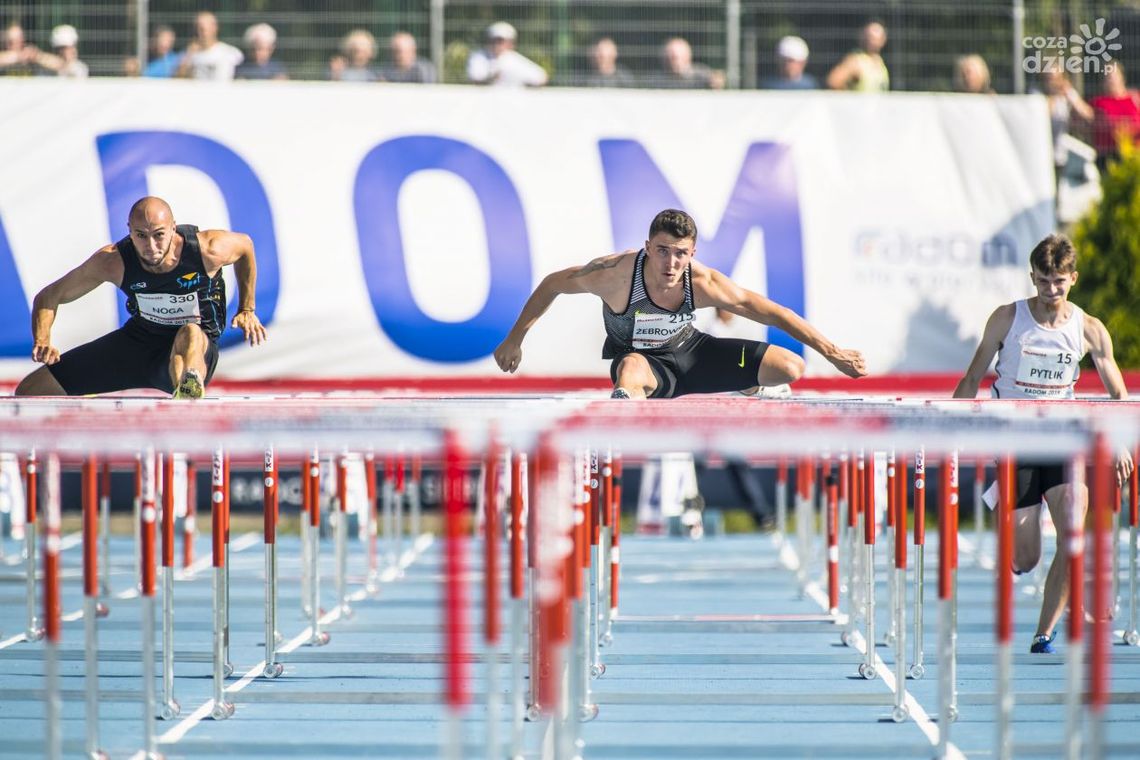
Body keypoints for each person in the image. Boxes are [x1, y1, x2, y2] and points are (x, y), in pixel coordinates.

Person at [953, 233, 1133, 653]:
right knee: (1026, 558)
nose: (1051, 290)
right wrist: (951, 429)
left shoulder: (1089, 329)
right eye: (1044, 281)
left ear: (1073, 279)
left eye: (1059, 282)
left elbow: (1118, 394)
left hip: (1062, 441)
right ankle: (1011, 520)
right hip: (1015, 441)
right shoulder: (1007, 319)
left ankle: (1044, 633)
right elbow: (973, 376)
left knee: (1073, 529)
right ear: (1032, 277)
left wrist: (1122, 441)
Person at [494, 208, 866, 399]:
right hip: (643, 364)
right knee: (629, 374)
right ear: (647, 248)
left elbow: (774, 313)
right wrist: (514, 339)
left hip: (693, 355)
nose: (670, 264)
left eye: (680, 254)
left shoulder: (701, 283)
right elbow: (552, 285)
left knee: (791, 367)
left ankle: (747, 384)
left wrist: (833, 353)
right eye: (662, 251)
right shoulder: (614, 274)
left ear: (692, 253)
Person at [13, 197, 267, 399]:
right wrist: (43, 339)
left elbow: (245, 245)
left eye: (159, 235)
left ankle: (187, 392)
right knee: (30, 390)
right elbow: (49, 296)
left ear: (173, 228)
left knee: (190, 331)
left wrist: (247, 308)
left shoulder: (207, 249)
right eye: (141, 236)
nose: (151, 246)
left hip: (195, 349)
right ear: (129, 232)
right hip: (138, 343)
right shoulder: (113, 261)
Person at [467, 22, 547, 87]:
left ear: (511, 43)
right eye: (494, 40)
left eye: (501, 41)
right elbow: (475, 78)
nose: (497, 44)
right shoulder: (478, 57)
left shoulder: (515, 59)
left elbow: (541, 78)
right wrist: (492, 78)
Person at [1090, 63, 1140, 167]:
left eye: (1114, 76)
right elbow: (1086, 117)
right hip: (1107, 156)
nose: (1111, 80)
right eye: (1108, 77)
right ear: (1103, 81)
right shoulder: (1098, 102)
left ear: (1122, 77)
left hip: (1135, 153)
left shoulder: (1135, 98)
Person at [178, 11, 243, 81]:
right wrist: (188, 56)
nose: (202, 32)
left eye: (205, 28)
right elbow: (179, 79)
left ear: (215, 27)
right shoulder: (189, 54)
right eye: (199, 28)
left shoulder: (231, 52)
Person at [827, 21, 889, 92]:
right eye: (870, 37)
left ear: (883, 39)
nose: (872, 41)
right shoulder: (856, 61)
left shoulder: (879, 61)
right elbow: (833, 82)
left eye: (876, 38)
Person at [653, 37, 724, 89]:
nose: (674, 62)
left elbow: (716, 79)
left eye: (676, 57)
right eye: (670, 57)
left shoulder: (700, 75)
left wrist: (716, 80)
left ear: (687, 56)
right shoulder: (657, 80)